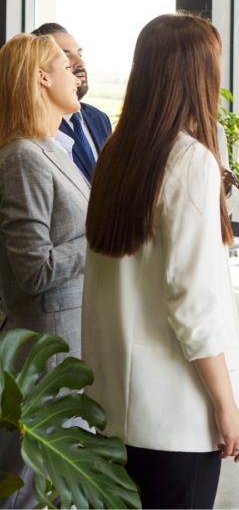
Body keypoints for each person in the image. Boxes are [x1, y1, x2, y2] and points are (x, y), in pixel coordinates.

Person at [81, 14, 239, 510]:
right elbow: (192, 304)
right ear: (197, 73)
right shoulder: (190, 159)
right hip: (177, 414)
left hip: (118, 407)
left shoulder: (117, 151)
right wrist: (227, 408)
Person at [0, 33, 85, 509]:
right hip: (41, 353)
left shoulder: (51, 148)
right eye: (66, 65)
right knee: (29, 488)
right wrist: (106, 239)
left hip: (66, 344)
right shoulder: (22, 157)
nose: (77, 74)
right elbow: (34, 270)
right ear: (40, 77)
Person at [30, 23, 112, 181]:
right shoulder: (39, 127)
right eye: (66, 59)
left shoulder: (99, 118)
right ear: (41, 74)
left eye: (80, 54)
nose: (81, 62)